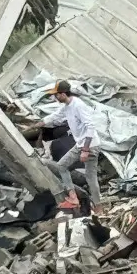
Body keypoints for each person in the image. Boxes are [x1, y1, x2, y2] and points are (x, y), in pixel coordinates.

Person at [44, 81, 100, 209]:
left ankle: (99, 207)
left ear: (63, 94)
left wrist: (85, 150)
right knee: (61, 165)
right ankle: (73, 197)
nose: (55, 98)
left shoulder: (78, 105)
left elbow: (90, 127)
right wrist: (38, 124)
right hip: (80, 145)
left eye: (56, 95)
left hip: (90, 145)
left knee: (91, 178)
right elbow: (54, 116)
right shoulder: (67, 106)